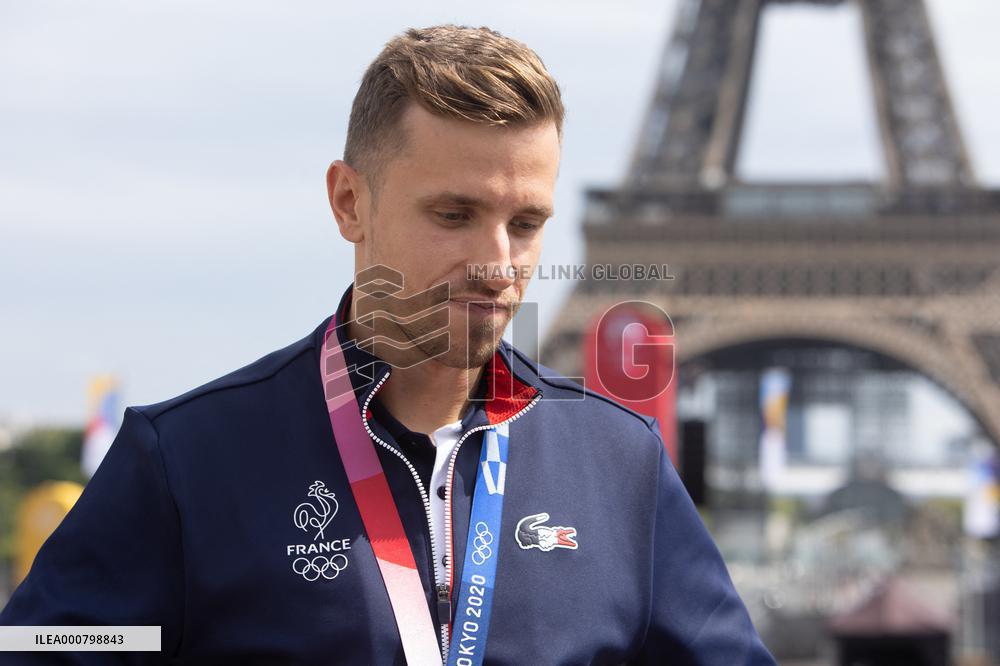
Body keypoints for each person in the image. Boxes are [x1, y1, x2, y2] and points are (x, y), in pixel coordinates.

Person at [0, 24, 776, 665]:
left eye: (527, 223)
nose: (498, 261)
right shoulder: (185, 460)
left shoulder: (621, 463)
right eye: (453, 215)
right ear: (349, 202)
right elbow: (52, 644)